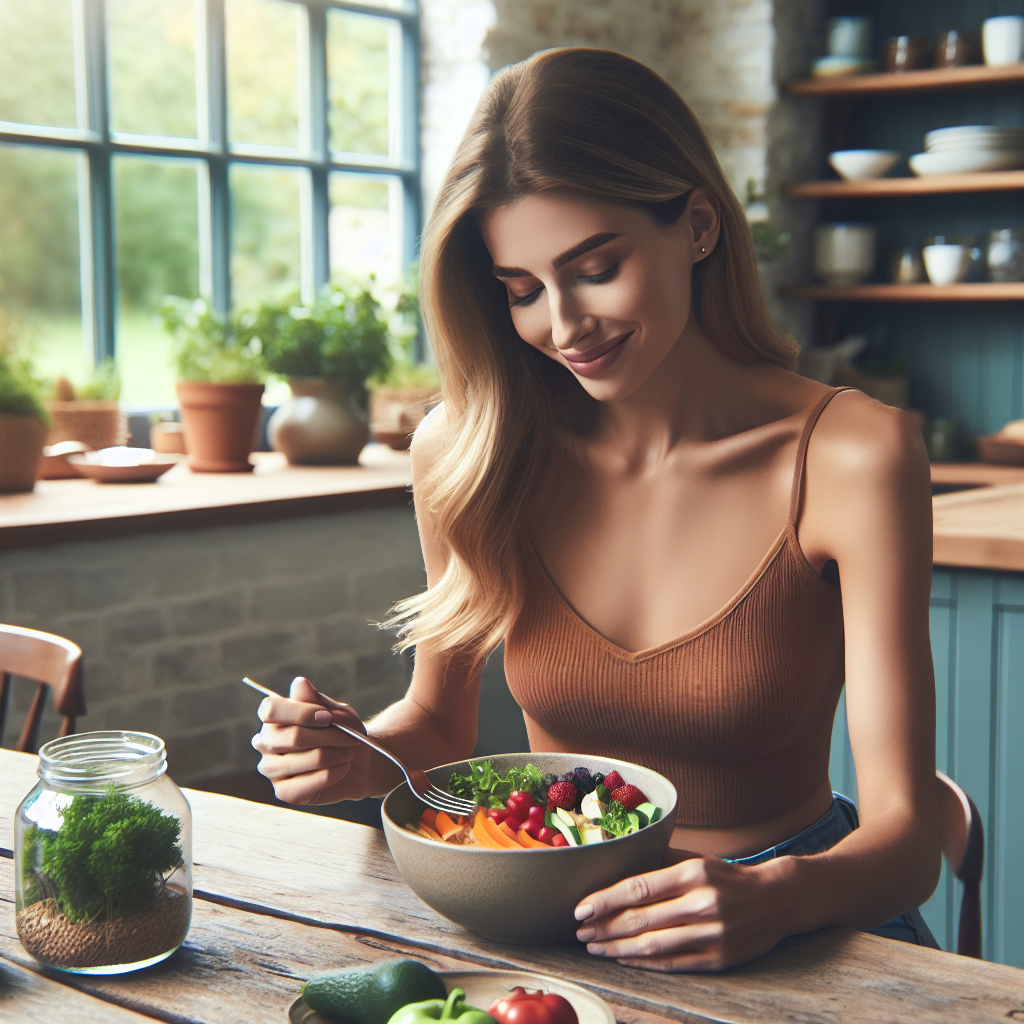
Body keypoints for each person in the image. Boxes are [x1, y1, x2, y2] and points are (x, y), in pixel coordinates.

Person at [253, 48, 940, 971]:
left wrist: (776, 894)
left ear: (697, 225)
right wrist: (358, 754)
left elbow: (908, 842)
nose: (564, 325)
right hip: (557, 918)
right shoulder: (467, 451)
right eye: (523, 291)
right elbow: (438, 726)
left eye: (597, 267)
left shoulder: (854, 455)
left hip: (797, 925)